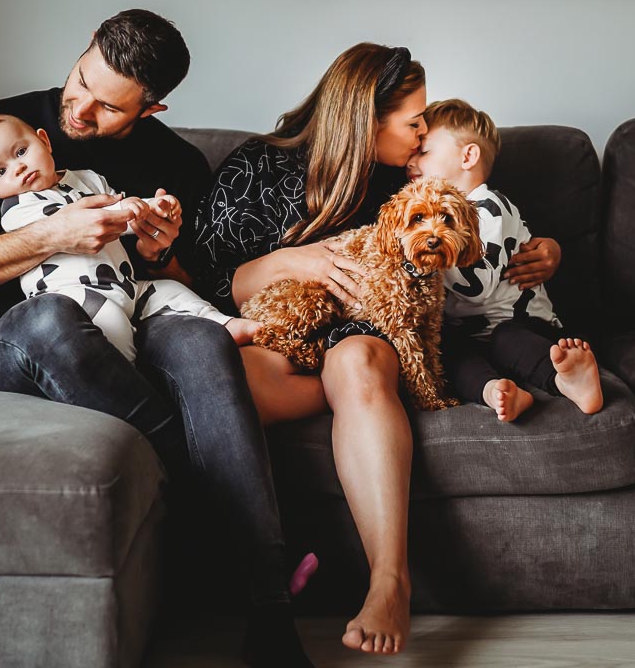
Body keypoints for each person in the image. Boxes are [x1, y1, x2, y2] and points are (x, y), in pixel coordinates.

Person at [0, 9, 312, 667]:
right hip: (21, 338)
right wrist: (55, 236)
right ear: (84, 46)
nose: (81, 111)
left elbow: (192, 284)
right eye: (82, 82)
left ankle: (270, 612)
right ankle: (202, 509)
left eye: (109, 108)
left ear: (153, 106)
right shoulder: (1, 130)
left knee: (202, 340)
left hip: (132, 321)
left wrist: (162, 253)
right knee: (54, 318)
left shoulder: (176, 162)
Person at [193, 44, 563, 656]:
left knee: (360, 364)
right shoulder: (255, 165)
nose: (423, 135)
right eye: (414, 121)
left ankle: (390, 581)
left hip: (365, 332)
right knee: (222, 381)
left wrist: (549, 249)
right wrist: (288, 260)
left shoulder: (410, 181)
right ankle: (358, 409)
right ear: (368, 117)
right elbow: (205, 281)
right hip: (276, 328)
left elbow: (480, 228)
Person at [0, 112, 259, 360]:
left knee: (170, 291)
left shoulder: (88, 178)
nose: (19, 168)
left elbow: (121, 214)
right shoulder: (17, 211)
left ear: (44, 141)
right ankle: (126, 376)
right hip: (77, 300)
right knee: (113, 325)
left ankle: (222, 323)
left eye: (20, 151)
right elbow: (96, 217)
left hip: (127, 286)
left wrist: (153, 210)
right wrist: (126, 210)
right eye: (1, 171)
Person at [406, 98, 604, 422]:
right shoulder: (431, 218)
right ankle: (498, 391)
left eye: (424, 152)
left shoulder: (488, 207)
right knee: (447, 352)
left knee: (506, 341)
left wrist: (419, 261)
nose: (411, 162)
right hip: (471, 336)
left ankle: (567, 380)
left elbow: (476, 286)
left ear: (468, 156)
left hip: (521, 326)